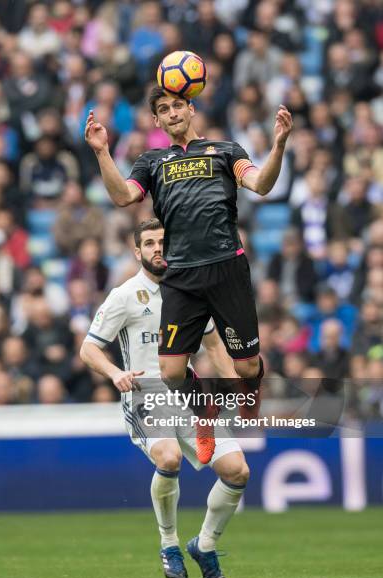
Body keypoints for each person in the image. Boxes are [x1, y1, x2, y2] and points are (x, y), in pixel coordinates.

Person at [85, 85, 293, 461]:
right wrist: (102, 153)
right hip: (181, 275)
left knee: (246, 366)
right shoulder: (151, 161)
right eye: (164, 109)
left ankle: (251, 387)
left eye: (178, 105)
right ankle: (206, 409)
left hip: (227, 266)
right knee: (172, 372)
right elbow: (122, 197)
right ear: (156, 120)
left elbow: (261, 184)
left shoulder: (226, 151)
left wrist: (278, 145)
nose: (172, 113)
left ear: (191, 108)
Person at [80, 219, 250, 578]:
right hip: (145, 396)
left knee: (238, 472)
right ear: (137, 251)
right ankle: (169, 545)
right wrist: (114, 373)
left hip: (188, 395)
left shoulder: (190, 292)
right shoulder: (124, 295)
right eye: (150, 243)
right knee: (169, 457)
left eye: (163, 242)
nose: (158, 248)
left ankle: (204, 546)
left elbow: (214, 344)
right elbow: (89, 347)